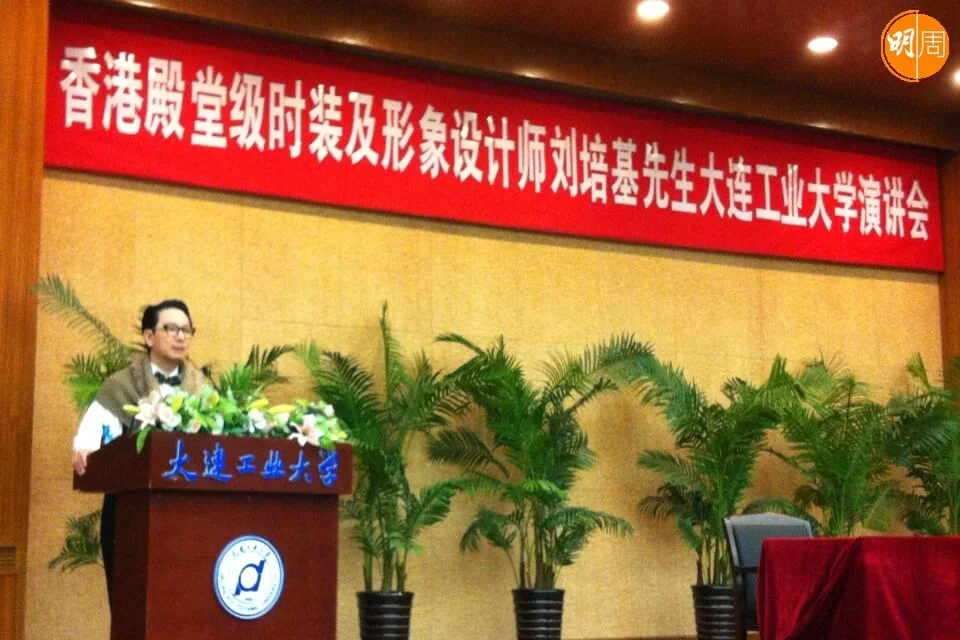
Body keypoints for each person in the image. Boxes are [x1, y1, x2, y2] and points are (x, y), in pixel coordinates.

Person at [71, 299, 208, 605]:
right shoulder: (121, 386)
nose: (181, 336)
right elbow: (92, 437)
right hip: (129, 514)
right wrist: (85, 447)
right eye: (171, 328)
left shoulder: (204, 388)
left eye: (187, 330)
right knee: (130, 605)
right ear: (149, 336)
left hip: (189, 516)